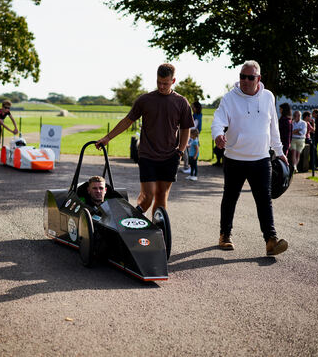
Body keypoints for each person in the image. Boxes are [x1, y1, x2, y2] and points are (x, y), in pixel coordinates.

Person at [211, 60, 288, 256]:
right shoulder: (229, 98)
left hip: (261, 158)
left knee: (264, 200)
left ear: (258, 78)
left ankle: (271, 240)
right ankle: (225, 235)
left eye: (250, 77)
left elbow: (273, 128)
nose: (245, 80)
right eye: (242, 77)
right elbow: (217, 121)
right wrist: (218, 135)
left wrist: (279, 152)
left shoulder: (268, 97)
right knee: (230, 197)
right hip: (235, 158)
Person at [96, 63, 194, 217]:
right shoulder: (145, 100)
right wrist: (107, 137)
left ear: (173, 81)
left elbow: (186, 128)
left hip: (170, 156)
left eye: (165, 83)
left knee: (161, 196)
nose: (161, 86)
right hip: (148, 155)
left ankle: (158, 231)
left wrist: (180, 152)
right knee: (148, 196)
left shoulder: (181, 102)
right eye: (159, 82)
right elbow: (127, 120)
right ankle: (133, 218)